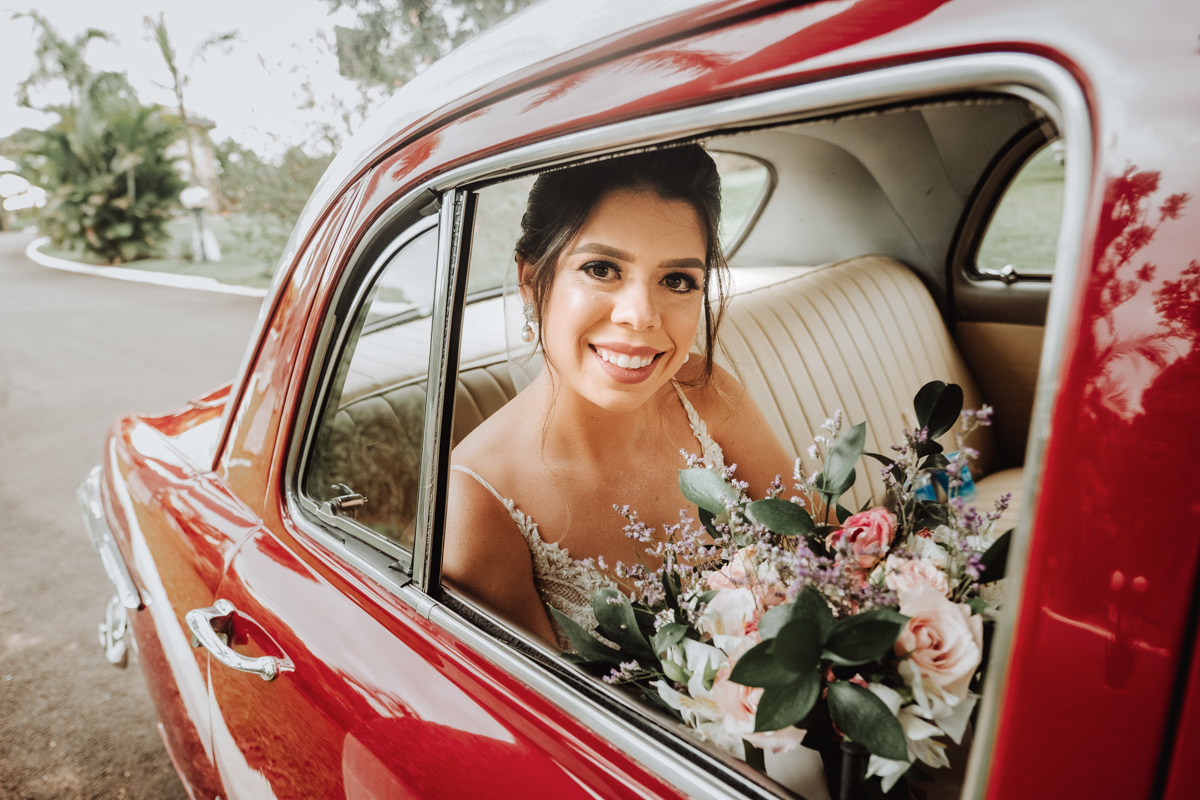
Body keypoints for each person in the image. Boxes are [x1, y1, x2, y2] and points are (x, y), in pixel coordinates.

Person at [444, 145, 794, 648]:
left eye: (676, 280)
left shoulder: (705, 390)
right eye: (602, 269)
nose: (641, 315)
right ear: (532, 281)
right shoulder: (475, 504)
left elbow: (828, 561)